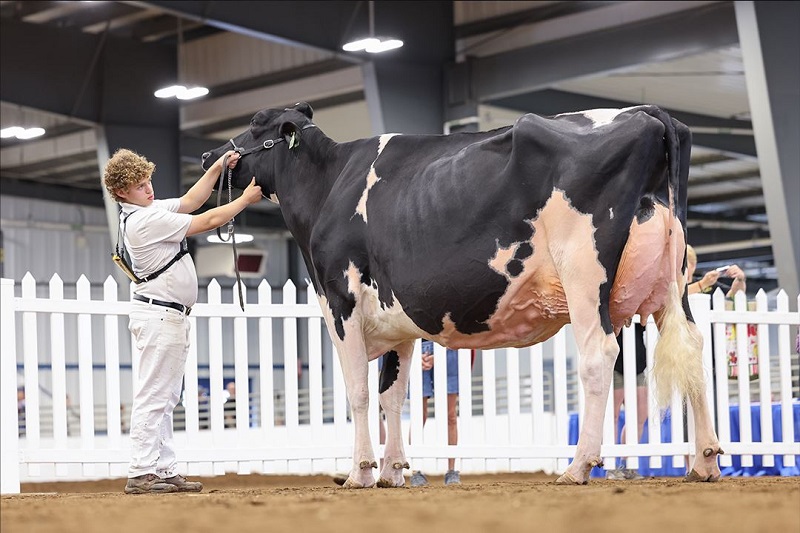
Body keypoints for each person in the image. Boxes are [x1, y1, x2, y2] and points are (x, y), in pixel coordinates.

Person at [103, 147, 262, 494]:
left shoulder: (146, 210)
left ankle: (162, 467)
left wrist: (218, 169)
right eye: (139, 185)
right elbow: (204, 220)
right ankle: (142, 471)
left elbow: (191, 200)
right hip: (161, 314)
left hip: (165, 314)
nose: (149, 189)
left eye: (148, 181)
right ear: (121, 192)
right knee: (155, 395)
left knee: (165, 395)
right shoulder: (145, 219)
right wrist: (245, 199)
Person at [410, 340, 473, 487]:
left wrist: (439, 355)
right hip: (418, 346)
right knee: (419, 416)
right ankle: (416, 470)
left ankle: (452, 470)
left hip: (448, 346)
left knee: (450, 415)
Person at [605, 323, 647, 481]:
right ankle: (612, 466)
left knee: (640, 417)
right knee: (613, 416)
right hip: (616, 365)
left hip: (638, 365)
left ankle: (627, 464)